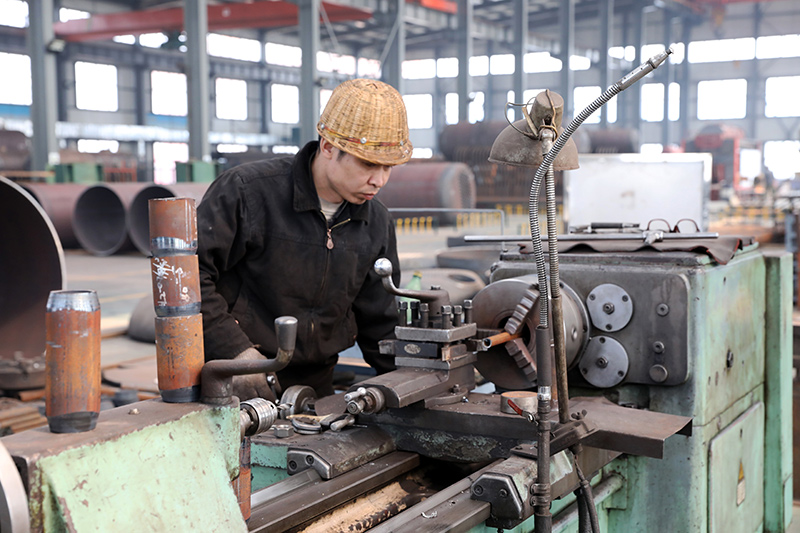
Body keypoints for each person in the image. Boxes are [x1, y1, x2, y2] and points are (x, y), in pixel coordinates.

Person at [197, 78, 412, 401]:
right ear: (328, 147)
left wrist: (413, 382)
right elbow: (187, 278)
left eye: (388, 167)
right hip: (233, 383)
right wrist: (234, 351)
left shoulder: (376, 222)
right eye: (368, 164)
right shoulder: (247, 193)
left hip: (313, 392)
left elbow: (379, 321)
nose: (379, 180)